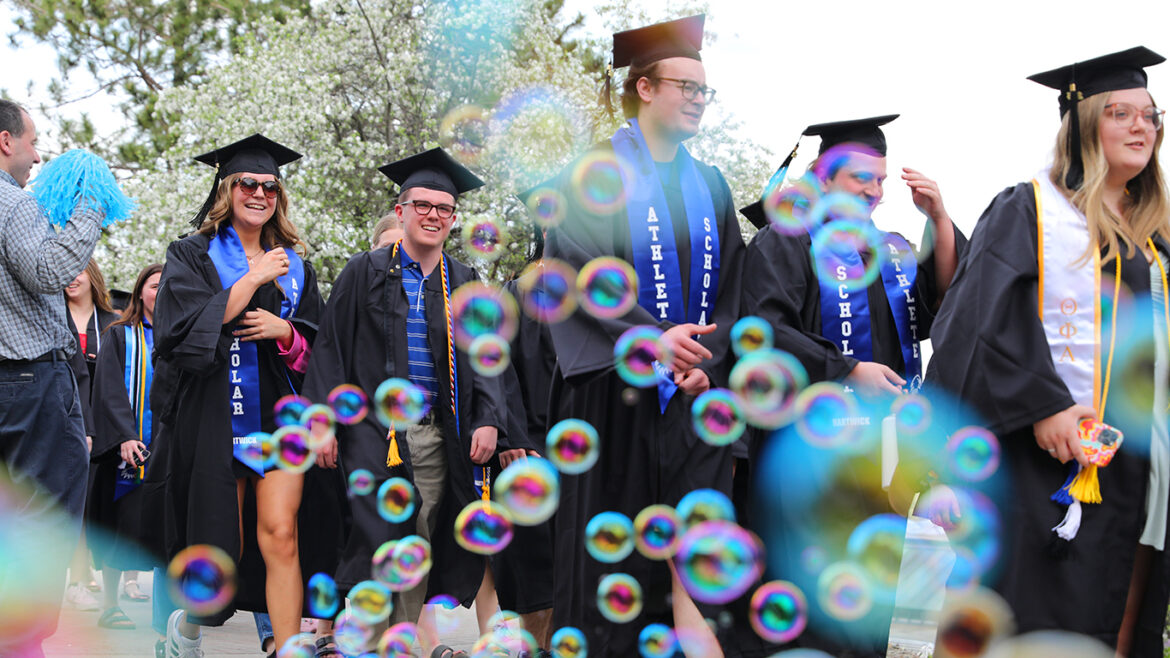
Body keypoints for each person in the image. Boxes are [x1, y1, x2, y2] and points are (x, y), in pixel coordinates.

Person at [928, 47, 1170, 655]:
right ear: (1084, 123)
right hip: (1058, 464)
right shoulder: (1031, 210)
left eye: (1151, 114)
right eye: (1121, 112)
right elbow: (976, 320)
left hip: (1150, 456)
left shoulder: (1158, 232)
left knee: (1127, 614)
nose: (1142, 126)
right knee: (1059, 615)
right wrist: (1043, 403)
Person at [541, 15, 745, 655]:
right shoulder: (594, 172)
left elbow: (735, 288)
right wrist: (651, 339)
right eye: (685, 85)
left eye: (704, 91)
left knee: (693, 566)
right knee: (614, 564)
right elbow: (576, 267)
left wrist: (706, 356)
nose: (696, 99)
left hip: (692, 398)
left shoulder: (710, 183)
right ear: (645, 88)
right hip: (614, 397)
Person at [737, 115, 965, 656]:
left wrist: (941, 219)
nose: (874, 190)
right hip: (807, 454)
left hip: (882, 459)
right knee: (812, 598)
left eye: (881, 180)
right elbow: (764, 329)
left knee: (872, 601)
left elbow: (948, 313)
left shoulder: (893, 253)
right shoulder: (786, 242)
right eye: (860, 177)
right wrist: (844, 369)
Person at [303, 147, 508, 655]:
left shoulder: (462, 280)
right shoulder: (363, 270)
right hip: (374, 432)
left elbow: (487, 359)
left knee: (418, 537)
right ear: (401, 211)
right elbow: (329, 347)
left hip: (439, 430)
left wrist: (488, 419)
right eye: (423, 205)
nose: (434, 215)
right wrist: (323, 423)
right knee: (377, 536)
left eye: (444, 209)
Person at [149, 134, 331, 656]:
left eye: (270, 187)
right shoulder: (191, 254)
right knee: (221, 545)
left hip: (278, 413)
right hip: (212, 412)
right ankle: (186, 631)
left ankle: (286, 646)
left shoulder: (295, 265)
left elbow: (318, 342)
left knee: (281, 534)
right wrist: (251, 279)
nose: (260, 193)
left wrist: (287, 332)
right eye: (248, 183)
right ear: (227, 189)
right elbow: (178, 333)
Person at [0, 98, 106, 657]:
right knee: (46, 514)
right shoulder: (11, 201)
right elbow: (47, 271)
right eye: (33, 141)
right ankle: (21, 643)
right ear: (5, 141)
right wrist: (91, 206)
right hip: (26, 381)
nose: (37, 155)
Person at [89, 263, 164, 631]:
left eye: (168, 285)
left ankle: (166, 613)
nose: (161, 291)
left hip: (168, 447)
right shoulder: (120, 335)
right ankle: (109, 604)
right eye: (154, 285)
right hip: (131, 445)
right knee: (121, 524)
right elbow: (108, 390)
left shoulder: (180, 335)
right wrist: (123, 434)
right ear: (139, 292)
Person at [62, 258, 126, 610]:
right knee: (76, 501)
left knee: (102, 499)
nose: (72, 278)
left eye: (79, 270)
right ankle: (77, 577)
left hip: (107, 419)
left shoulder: (113, 322)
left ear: (93, 276)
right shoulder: (52, 317)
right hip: (67, 416)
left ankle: (110, 577)